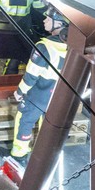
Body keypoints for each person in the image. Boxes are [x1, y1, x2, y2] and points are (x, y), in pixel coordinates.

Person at [9, 12, 70, 169]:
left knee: (25, 121)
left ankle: (19, 156)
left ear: (59, 24)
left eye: (49, 18)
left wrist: (20, 92)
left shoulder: (45, 46)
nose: (44, 20)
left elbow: (31, 75)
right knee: (47, 125)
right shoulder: (73, 47)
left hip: (37, 94)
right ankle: (42, 159)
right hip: (57, 95)